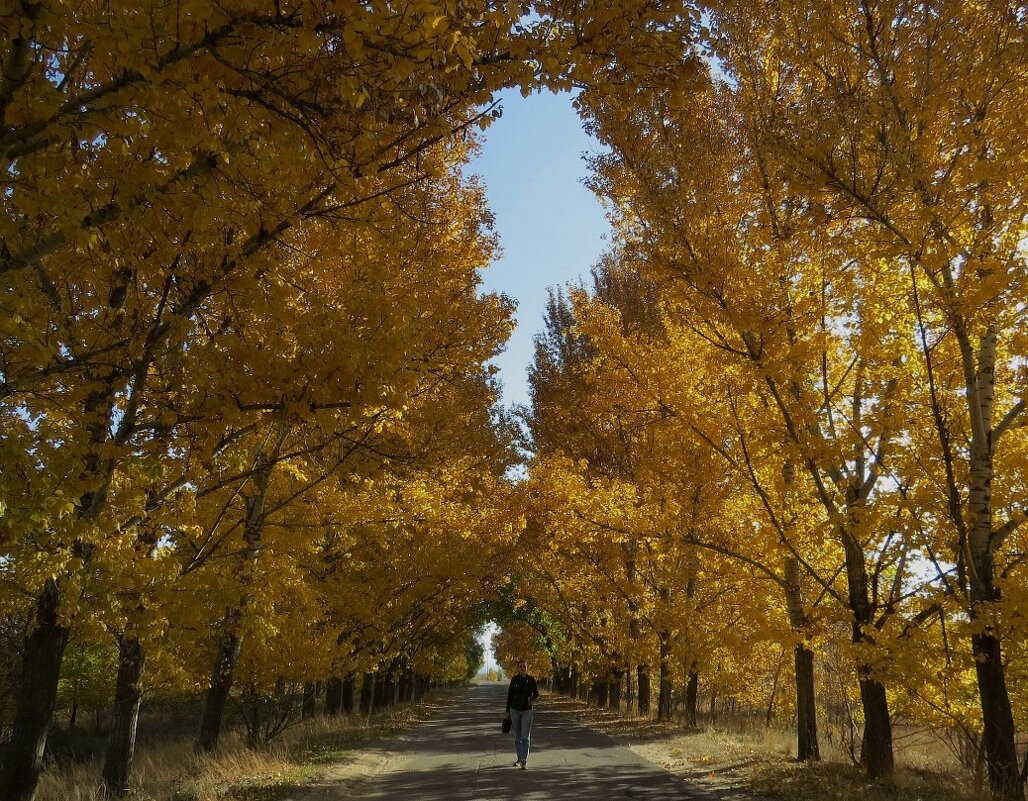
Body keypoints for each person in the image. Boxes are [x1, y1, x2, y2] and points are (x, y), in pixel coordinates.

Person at [504, 659, 539, 769]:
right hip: (514, 710)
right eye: (520, 666)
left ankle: (524, 760)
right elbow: (510, 696)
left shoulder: (531, 680)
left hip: (527, 711)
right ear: (518, 668)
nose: (522, 668)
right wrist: (507, 711)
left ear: (527, 668)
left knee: (525, 736)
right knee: (517, 737)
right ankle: (519, 759)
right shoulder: (514, 680)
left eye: (524, 666)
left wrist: (530, 699)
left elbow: (537, 694)